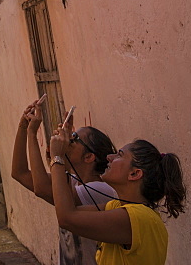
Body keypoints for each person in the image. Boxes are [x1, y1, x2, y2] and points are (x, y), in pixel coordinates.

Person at [48, 122, 186, 265]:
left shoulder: (137, 217)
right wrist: (65, 158)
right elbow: (70, 209)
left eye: (119, 155)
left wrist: (57, 158)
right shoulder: (118, 207)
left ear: (134, 173)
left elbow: (67, 218)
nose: (109, 157)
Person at [12, 98, 116, 265]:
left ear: (89, 157)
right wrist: (23, 127)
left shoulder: (100, 190)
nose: (66, 140)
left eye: (73, 139)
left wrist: (34, 135)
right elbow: (20, 173)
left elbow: (42, 189)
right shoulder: (74, 181)